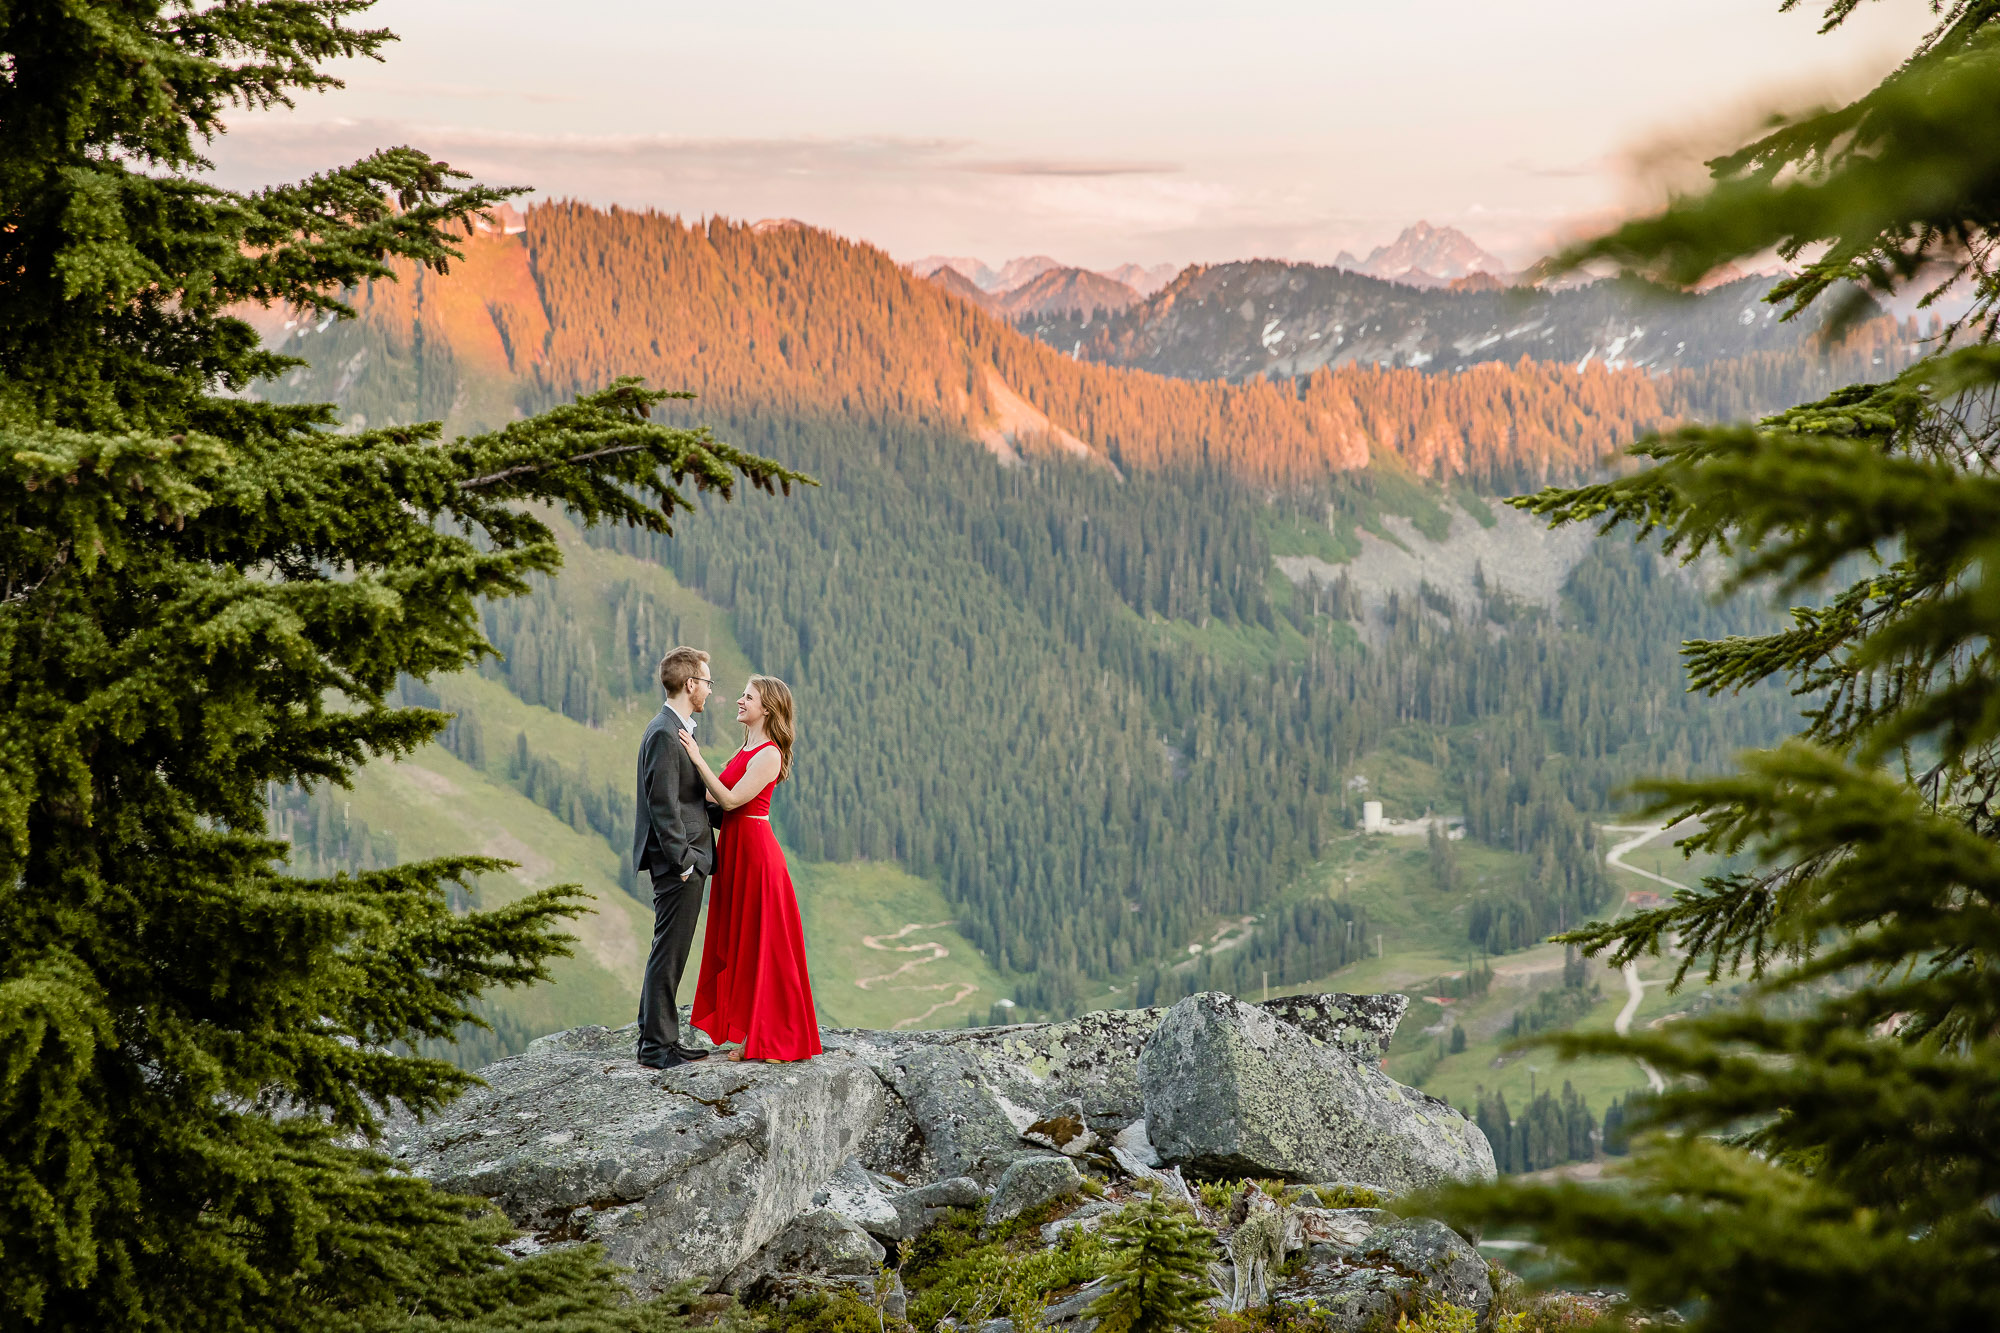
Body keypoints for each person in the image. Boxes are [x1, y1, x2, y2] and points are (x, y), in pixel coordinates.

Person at [683, 675, 822, 1062]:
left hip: (758, 857)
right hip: (735, 853)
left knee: (766, 944)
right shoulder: (745, 749)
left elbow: (728, 801)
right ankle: (753, 1032)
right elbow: (710, 796)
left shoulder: (770, 754)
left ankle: (774, 1038)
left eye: (748, 697)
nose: (740, 701)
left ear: (767, 709)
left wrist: (696, 757)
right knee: (745, 942)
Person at [631, 646, 718, 1070]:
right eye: (706, 681)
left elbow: (689, 796)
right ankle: (656, 1047)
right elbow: (662, 803)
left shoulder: (674, 727)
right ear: (690, 684)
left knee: (668, 950)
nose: (708, 689)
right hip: (679, 865)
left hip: (683, 860)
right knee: (669, 952)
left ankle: (659, 1038)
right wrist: (684, 862)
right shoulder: (665, 732)